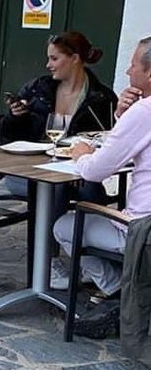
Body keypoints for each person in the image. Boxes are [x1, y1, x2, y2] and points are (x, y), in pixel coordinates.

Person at [51, 36, 151, 298]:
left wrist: (81, 155)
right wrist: (121, 117)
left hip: (142, 230)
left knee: (63, 225)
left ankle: (114, 287)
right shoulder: (138, 113)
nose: (128, 71)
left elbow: (96, 171)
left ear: (150, 72)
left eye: (133, 66)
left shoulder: (144, 111)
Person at [0, 31, 118, 211]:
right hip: (30, 169)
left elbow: (108, 139)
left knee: (91, 191)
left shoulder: (101, 98)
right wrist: (17, 116)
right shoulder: (36, 90)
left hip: (75, 171)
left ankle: (83, 235)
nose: (48, 65)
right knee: (57, 187)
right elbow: (10, 137)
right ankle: (53, 238)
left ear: (75, 58)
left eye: (54, 59)